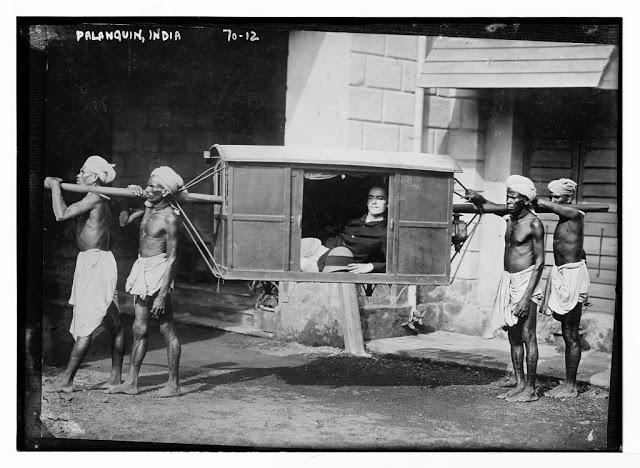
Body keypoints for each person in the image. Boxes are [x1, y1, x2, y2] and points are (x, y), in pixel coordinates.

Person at [44, 156, 124, 393]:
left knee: (86, 325)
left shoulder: (96, 196)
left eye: (82, 172)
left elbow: (61, 214)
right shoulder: (98, 197)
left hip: (97, 264)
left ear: (94, 178)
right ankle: (116, 377)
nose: (77, 176)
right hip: (92, 262)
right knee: (115, 324)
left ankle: (67, 380)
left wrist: (55, 185)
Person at [466, 175, 545, 403]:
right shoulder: (510, 216)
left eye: (513, 197)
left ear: (525, 200)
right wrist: (478, 198)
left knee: (528, 335)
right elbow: (489, 207)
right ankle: (520, 383)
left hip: (526, 282)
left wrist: (525, 298)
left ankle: (530, 388)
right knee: (513, 335)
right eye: (507, 197)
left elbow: (540, 263)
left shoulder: (534, 223)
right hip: (508, 280)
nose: (508, 201)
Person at [108, 166, 183, 398]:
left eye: (152, 187)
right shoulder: (148, 207)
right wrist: (127, 198)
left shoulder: (170, 217)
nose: (148, 189)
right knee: (138, 329)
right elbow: (123, 221)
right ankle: (131, 382)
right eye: (147, 185)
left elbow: (172, 258)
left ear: (165, 191)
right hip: (142, 267)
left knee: (166, 328)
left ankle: (173, 384)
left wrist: (162, 293)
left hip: (159, 271)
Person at [534, 178, 590, 398]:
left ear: (569, 198)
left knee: (571, 333)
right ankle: (569, 380)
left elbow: (550, 207)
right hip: (561, 274)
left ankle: (571, 385)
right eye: (552, 196)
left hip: (572, 276)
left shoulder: (575, 215)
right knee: (566, 330)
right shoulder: (563, 219)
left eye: (558, 197)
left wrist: (537, 201)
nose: (553, 200)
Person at [316, 186, 388, 274]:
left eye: (379, 198)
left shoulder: (384, 232)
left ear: (387, 203)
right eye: (371, 198)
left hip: (337, 264)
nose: (374, 202)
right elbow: (336, 236)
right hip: (323, 251)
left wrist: (371, 266)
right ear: (367, 202)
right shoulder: (354, 221)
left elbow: (395, 265)